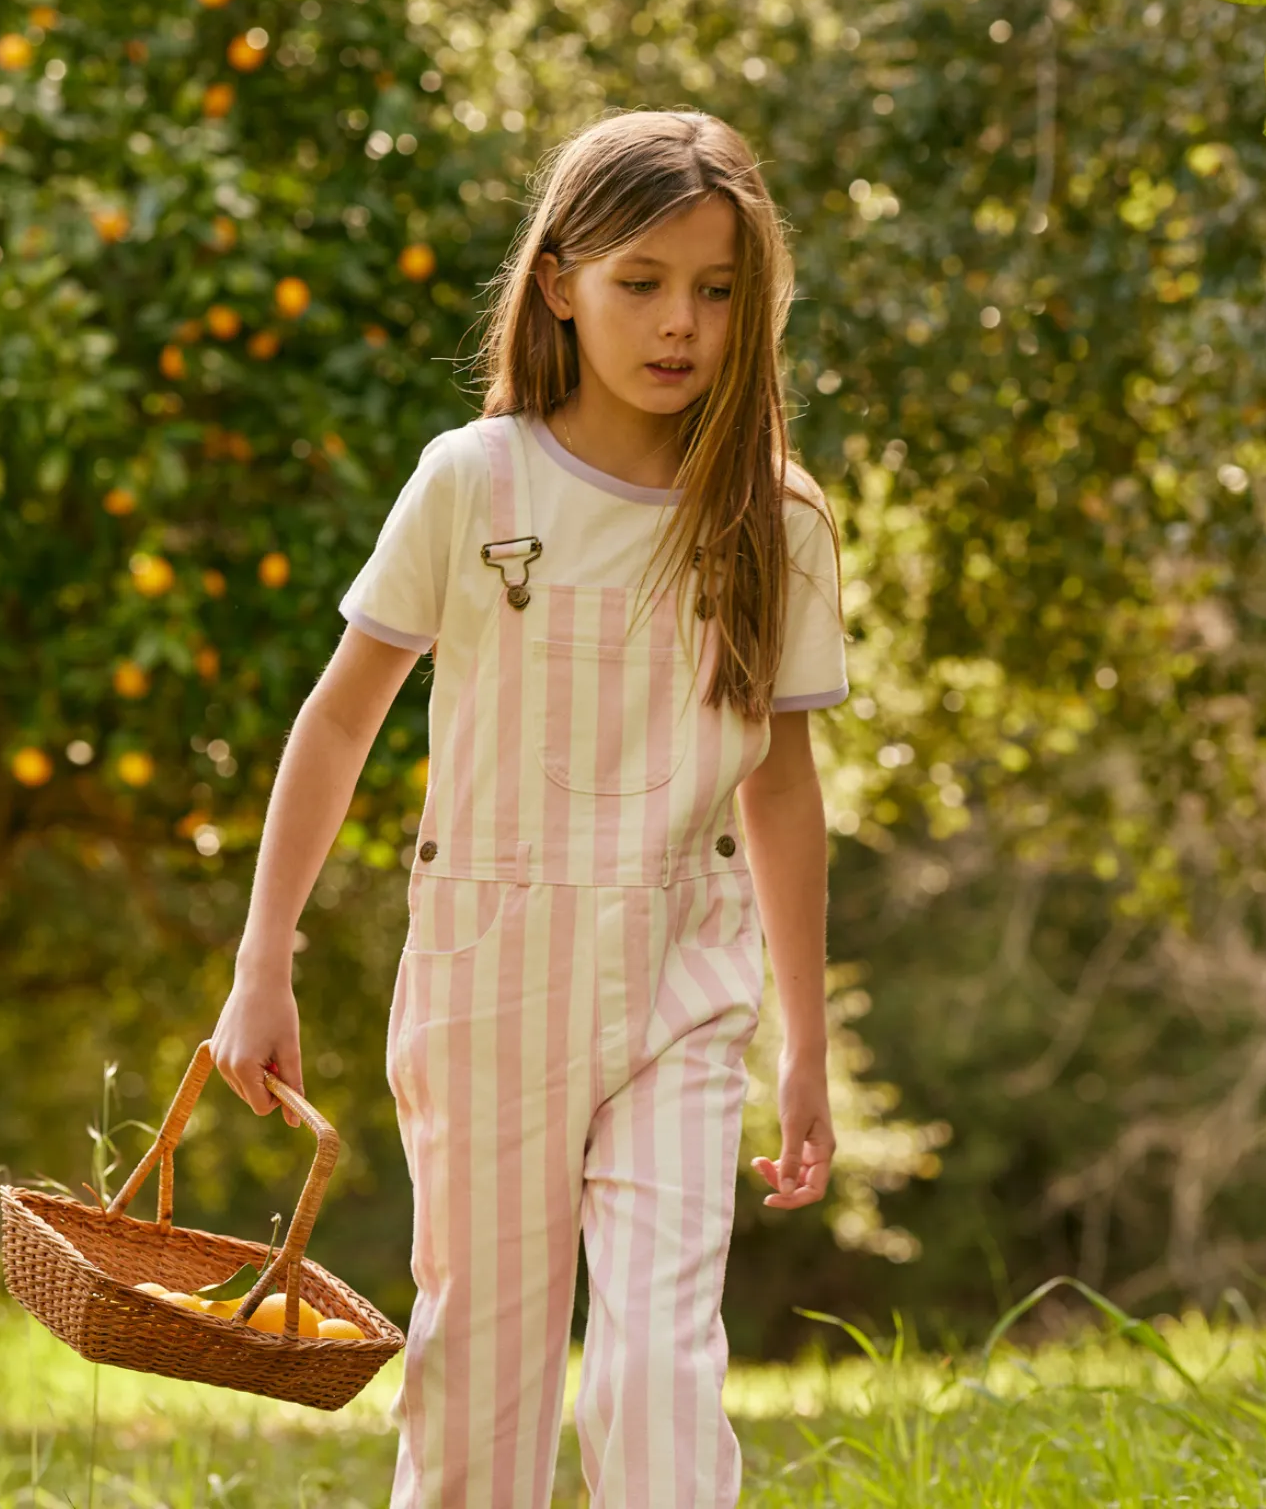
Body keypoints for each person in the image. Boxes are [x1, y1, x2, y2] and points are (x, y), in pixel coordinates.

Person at [211, 109, 849, 1508]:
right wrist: (264, 961)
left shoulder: (780, 520)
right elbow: (338, 720)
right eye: (644, 283)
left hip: (682, 977)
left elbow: (784, 788)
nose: (682, 323)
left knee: (658, 1378)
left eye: (719, 291)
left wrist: (803, 1044)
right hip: (488, 974)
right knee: (478, 1403)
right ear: (559, 281)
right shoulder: (474, 481)